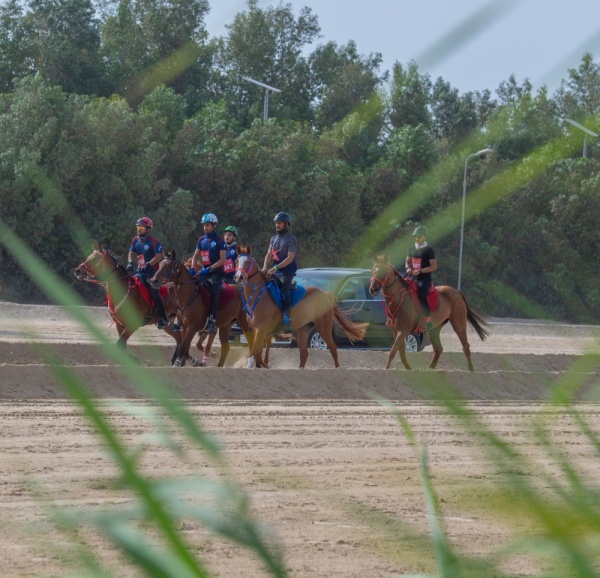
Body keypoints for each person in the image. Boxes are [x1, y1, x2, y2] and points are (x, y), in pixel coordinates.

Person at [127, 217, 169, 330]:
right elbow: (131, 252)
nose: (138, 230)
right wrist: (130, 263)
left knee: (155, 293)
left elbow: (158, 256)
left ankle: (163, 318)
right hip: (139, 273)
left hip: (152, 274)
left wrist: (149, 264)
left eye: (141, 228)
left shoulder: (154, 242)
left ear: (148, 229)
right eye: (138, 227)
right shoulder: (135, 240)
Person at [190, 213, 226, 334]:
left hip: (216, 273)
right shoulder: (201, 239)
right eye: (204, 225)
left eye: (208, 225)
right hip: (204, 272)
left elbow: (223, 260)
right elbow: (195, 256)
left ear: (214, 226)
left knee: (215, 293)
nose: (205, 227)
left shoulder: (220, 241)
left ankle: (212, 321)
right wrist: (192, 268)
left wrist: (209, 268)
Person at [262, 211, 297, 331]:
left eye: (280, 223)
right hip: (275, 271)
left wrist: (275, 268)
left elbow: (290, 258)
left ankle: (288, 319)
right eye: (276, 223)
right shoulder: (273, 238)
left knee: (284, 292)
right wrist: (265, 267)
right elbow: (268, 254)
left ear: (286, 224)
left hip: (287, 272)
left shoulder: (291, 239)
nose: (277, 225)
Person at [405, 225, 437, 332]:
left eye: (419, 236)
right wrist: (408, 268)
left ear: (424, 237)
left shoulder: (429, 250)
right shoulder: (412, 249)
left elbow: (433, 266)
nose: (416, 238)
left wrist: (420, 271)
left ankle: (428, 321)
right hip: (412, 277)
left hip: (424, 279)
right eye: (415, 236)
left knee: (422, 296)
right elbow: (407, 262)